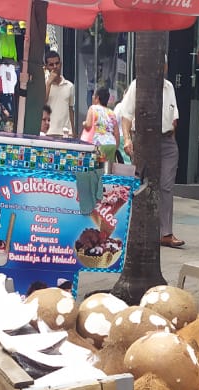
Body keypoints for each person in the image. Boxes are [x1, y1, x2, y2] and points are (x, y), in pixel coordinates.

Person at [117, 56, 183, 248]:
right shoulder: (138, 85)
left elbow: (174, 117)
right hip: (144, 140)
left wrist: (171, 138)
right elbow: (126, 115)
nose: (160, 68)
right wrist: (128, 139)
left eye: (162, 64)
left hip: (167, 140)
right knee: (140, 185)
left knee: (166, 186)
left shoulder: (169, 87)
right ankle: (133, 230)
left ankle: (166, 233)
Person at [80, 86, 120, 161]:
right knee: (107, 170)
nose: (92, 97)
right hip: (111, 145)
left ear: (97, 98)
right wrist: (116, 147)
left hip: (98, 144)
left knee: (96, 168)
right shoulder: (111, 113)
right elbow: (117, 133)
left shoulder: (93, 108)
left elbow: (88, 126)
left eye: (93, 95)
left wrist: (84, 123)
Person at [44, 50, 74, 137]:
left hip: (65, 133)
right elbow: (42, 103)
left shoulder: (69, 86)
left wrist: (73, 132)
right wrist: (49, 83)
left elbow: (70, 109)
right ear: (46, 67)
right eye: (51, 64)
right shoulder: (44, 83)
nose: (55, 67)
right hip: (49, 133)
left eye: (57, 63)